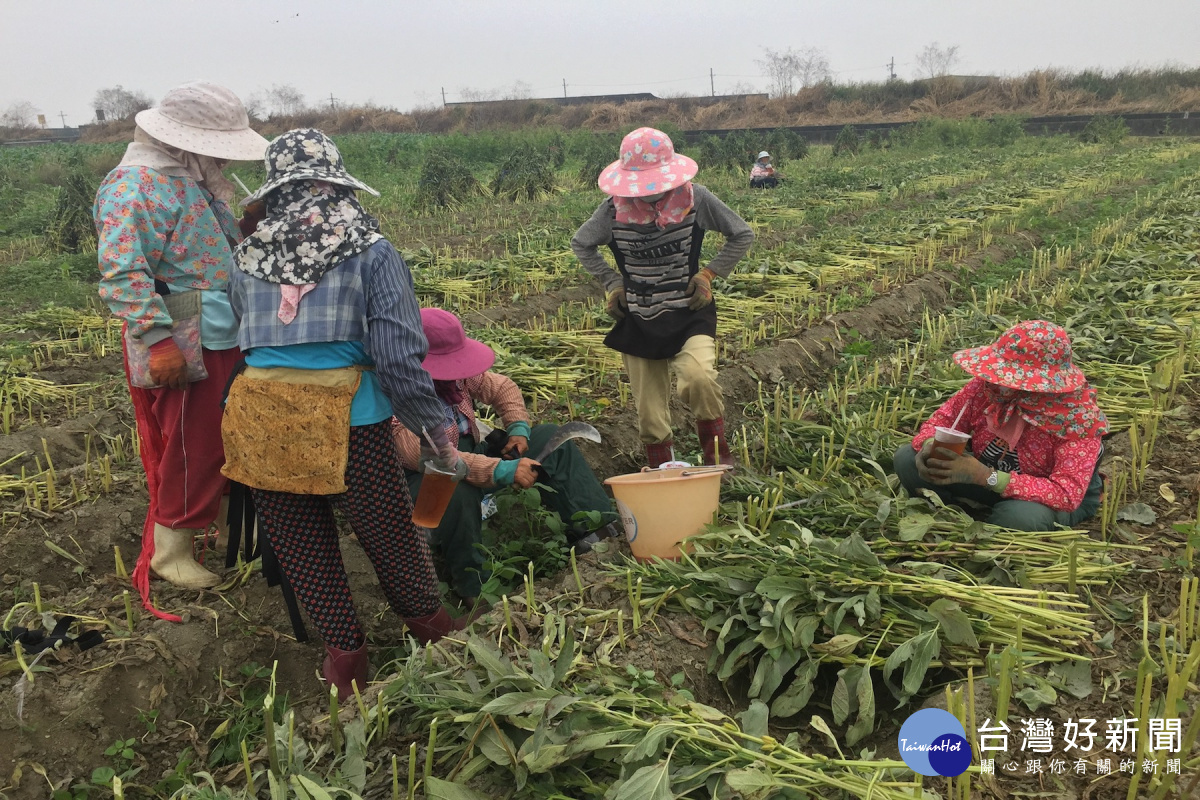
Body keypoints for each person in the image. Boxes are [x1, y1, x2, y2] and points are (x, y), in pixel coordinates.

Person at [223, 129, 475, 696]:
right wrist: (435, 428)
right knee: (386, 529)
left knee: (301, 542)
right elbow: (396, 355)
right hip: (350, 416)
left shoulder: (246, 255)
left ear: (277, 193)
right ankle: (432, 630)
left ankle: (345, 660)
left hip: (261, 416)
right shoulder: (371, 251)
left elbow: (247, 336)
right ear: (334, 185)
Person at [94, 82, 269, 610]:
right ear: (182, 139)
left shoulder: (185, 179)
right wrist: (155, 338)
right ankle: (172, 548)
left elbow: (201, 246)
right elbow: (123, 271)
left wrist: (245, 228)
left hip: (219, 326)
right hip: (183, 335)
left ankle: (215, 525)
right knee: (193, 444)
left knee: (223, 433)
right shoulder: (135, 186)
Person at [393, 308, 619, 601]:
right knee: (455, 491)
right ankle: (477, 592)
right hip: (426, 478)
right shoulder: (395, 398)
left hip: (473, 454)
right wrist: (501, 470)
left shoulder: (456, 380)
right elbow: (436, 458)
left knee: (551, 437)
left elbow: (502, 387)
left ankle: (599, 533)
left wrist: (518, 430)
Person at [571, 127, 754, 468]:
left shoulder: (696, 199)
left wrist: (708, 275)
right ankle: (662, 469)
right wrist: (612, 282)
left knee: (698, 378)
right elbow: (581, 243)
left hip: (688, 311)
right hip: (638, 315)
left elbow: (741, 234)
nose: (655, 192)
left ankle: (718, 457)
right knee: (650, 410)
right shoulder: (612, 212)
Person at [894, 321, 1108, 531]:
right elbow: (943, 420)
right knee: (907, 459)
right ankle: (948, 512)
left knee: (1020, 518)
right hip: (985, 474)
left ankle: (994, 526)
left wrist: (986, 477)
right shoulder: (989, 388)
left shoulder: (1077, 420)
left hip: (1041, 499)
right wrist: (931, 443)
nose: (998, 384)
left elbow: (1065, 494)